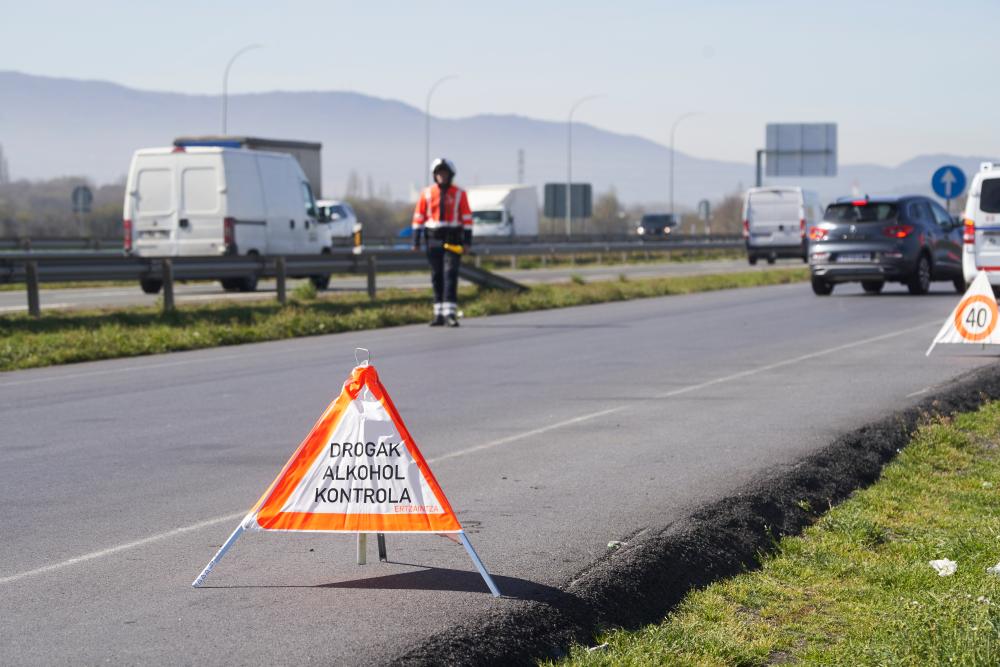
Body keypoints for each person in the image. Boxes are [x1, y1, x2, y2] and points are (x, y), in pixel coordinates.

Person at [411, 158, 473, 327]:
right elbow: (418, 217)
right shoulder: (427, 193)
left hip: (453, 239)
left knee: (450, 274)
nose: (442, 176)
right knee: (436, 275)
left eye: (444, 173)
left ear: (450, 175)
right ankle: (438, 313)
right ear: (434, 175)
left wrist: (467, 241)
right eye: (438, 173)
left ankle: (450, 313)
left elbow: (467, 219)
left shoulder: (460, 193)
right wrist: (415, 240)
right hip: (433, 239)